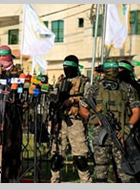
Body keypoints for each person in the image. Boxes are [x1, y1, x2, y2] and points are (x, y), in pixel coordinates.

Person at [79, 60, 140, 183]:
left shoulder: (127, 89)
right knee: (100, 171)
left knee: (125, 173)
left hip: (121, 135)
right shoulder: (94, 89)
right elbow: (82, 108)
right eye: (109, 71)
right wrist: (94, 118)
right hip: (100, 136)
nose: (111, 73)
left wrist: (127, 129)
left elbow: (136, 111)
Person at [50, 55, 91, 183]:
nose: (67, 70)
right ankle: (54, 181)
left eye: (70, 67)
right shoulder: (60, 82)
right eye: (65, 67)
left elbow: (89, 100)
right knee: (56, 157)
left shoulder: (84, 83)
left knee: (80, 158)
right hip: (60, 120)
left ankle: (86, 182)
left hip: (76, 121)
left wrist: (73, 100)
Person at [0, 45, 23, 182]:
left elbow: (20, 90)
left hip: (12, 115)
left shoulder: (17, 72)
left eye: (4, 56)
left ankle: (10, 177)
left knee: (10, 147)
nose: (1, 59)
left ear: (10, 56)